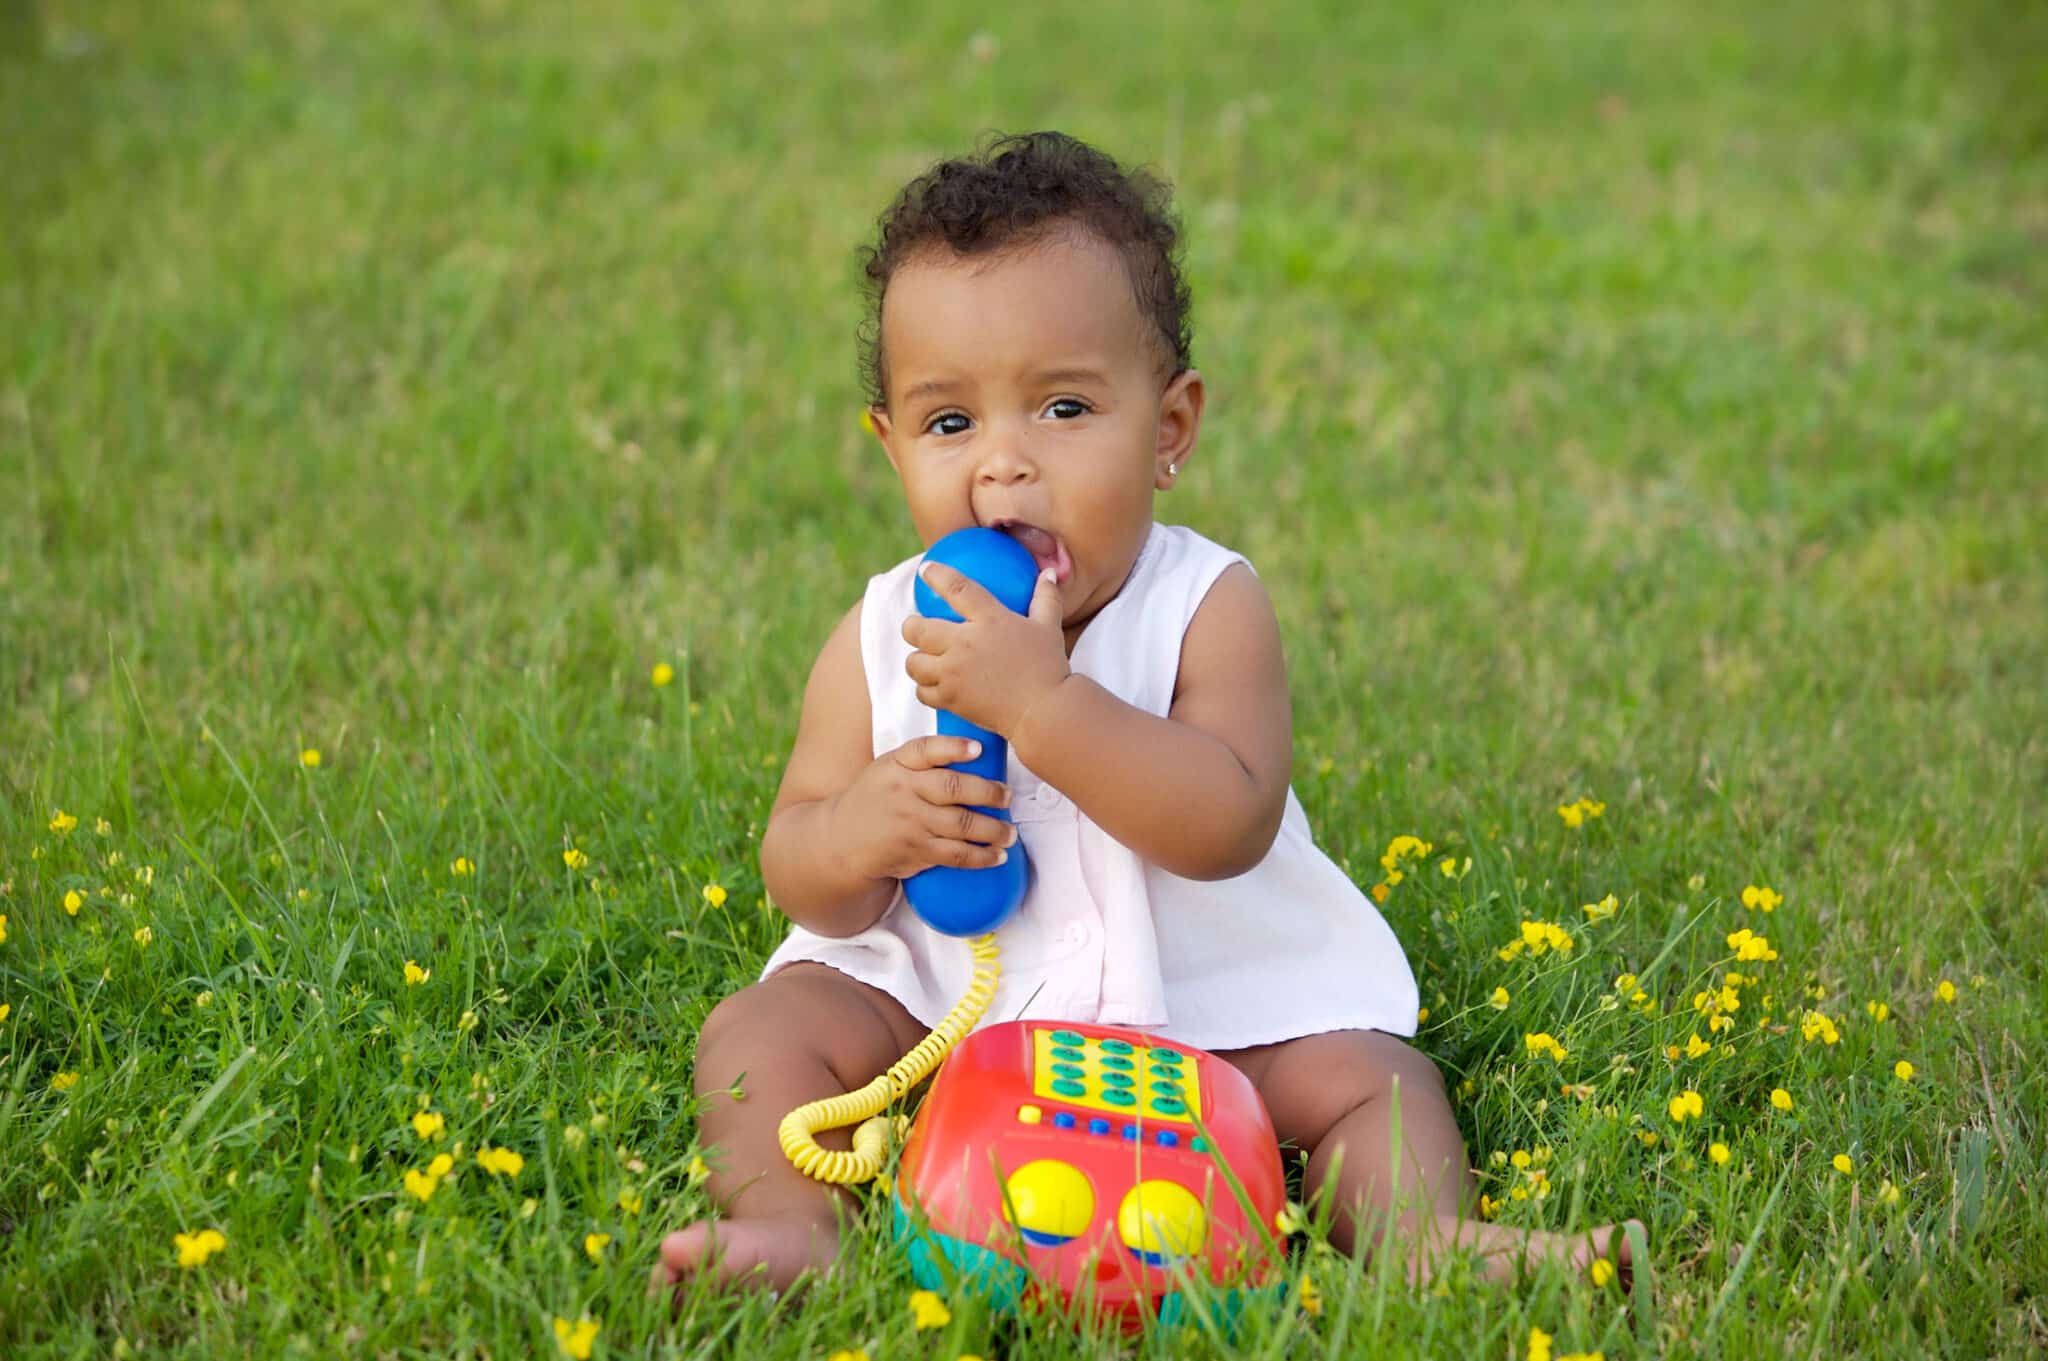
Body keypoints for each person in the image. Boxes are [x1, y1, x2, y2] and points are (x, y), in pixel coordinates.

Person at [655, 130, 1640, 1296]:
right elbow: (797, 857)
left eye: (1063, 408)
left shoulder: (1205, 604)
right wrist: (862, 829)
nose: (1003, 469)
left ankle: (1427, 1242)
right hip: (946, 999)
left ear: (1167, 430)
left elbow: (1225, 818)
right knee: (760, 1030)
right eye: (949, 423)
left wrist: (1045, 704)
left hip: (1206, 1001)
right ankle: (789, 1228)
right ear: (889, 446)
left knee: (1370, 1078)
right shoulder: (879, 628)